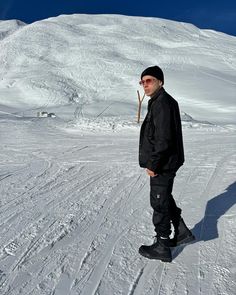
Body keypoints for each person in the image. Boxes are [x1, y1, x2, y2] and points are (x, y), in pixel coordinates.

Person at [138, 66, 195, 262]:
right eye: (142, 82)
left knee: (158, 201)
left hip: (163, 162)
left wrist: (153, 163)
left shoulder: (162, 103)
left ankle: (162, 245)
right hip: (167, 160)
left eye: (149, 80)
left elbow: (164, 139)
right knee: (164, 196)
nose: (145, 85)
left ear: (160, 82)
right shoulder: (160, 101)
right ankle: (181, 230)